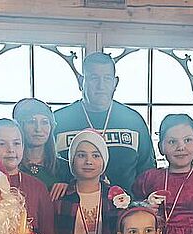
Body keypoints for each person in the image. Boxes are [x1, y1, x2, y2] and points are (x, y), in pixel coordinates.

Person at [54, 52, 156, 193]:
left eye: (107, 78)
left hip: (128, 205)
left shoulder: (133, 121)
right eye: (94, 78)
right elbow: (47, 167)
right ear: (81, 81)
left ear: (115, 83)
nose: (100, 86)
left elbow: (148, 173)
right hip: (72, 205)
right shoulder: (59, 121)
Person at [55, 129, 121, 234]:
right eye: (81, 155)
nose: (88, 161)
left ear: (104, 161)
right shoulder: (60, 198)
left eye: (96, 155)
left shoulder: (116, 197)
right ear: (72, 160)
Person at [14, 97, 71, 201]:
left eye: (44, 122)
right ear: (20, 126)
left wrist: (70, 188)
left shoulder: (66, 168)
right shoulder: (11, 166)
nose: (38, 129)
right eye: (31, 122)